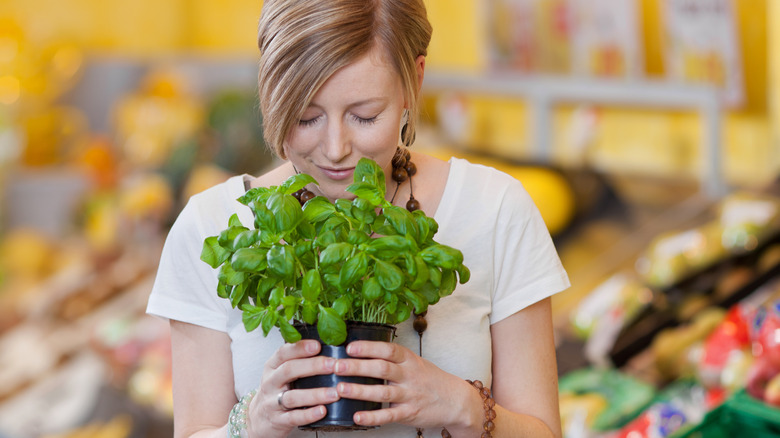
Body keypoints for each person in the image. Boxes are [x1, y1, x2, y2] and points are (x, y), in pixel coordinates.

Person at [146, 0, 570, 437]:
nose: (335, 148)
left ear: (414, 82)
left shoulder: (495, 209)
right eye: (306, 116)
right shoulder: (207, 226)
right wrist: (252, 425)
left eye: (364, 115)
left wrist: (461, 406)